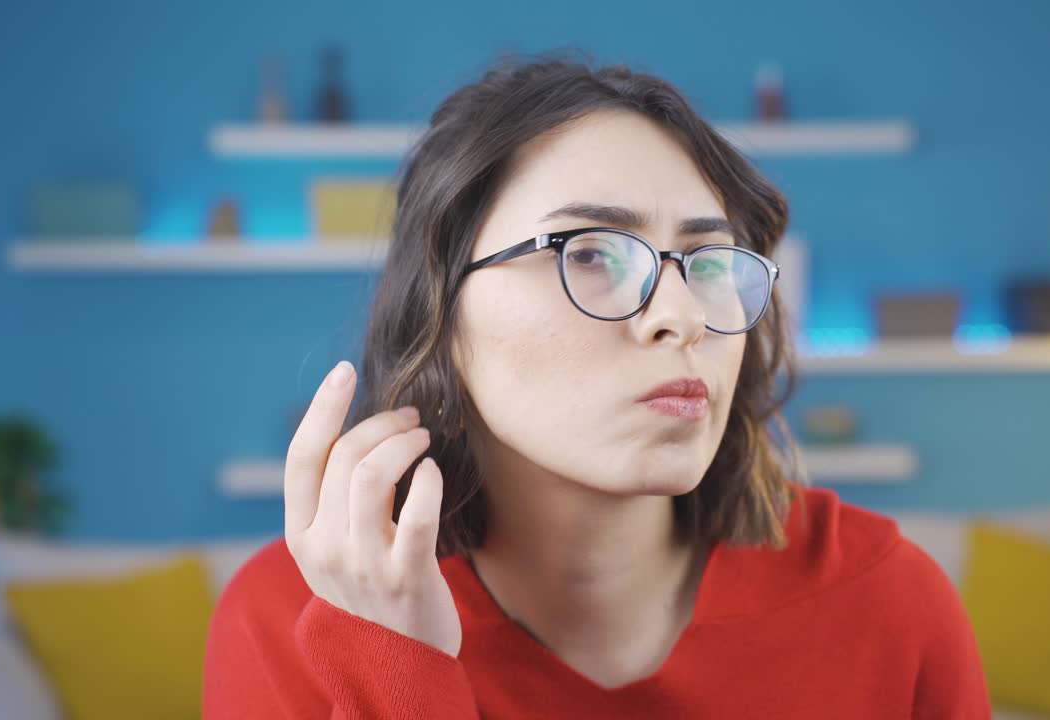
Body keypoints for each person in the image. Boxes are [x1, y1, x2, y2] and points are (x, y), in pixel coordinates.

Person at [203, 53, 992, 719]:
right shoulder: (292, 618)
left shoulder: (887, 601)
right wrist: (397, 669)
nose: (682, 316)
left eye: (709, 263)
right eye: (589, 253)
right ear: (439, 311)